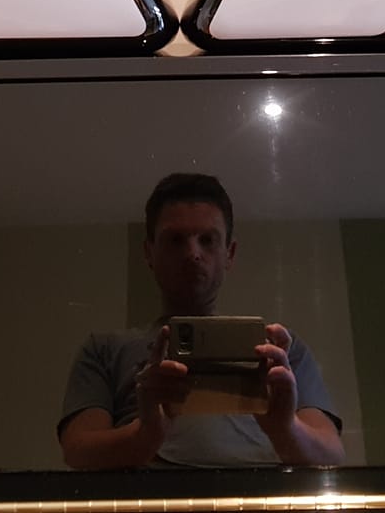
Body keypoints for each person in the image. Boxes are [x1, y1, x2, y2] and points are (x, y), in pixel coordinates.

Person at [57, 173, 344, 469]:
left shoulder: (282, 350)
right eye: (175, 240)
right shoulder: (103, 350)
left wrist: (285, 428)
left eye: (207, 240)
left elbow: (332, 455)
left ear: (229, 253)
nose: (192, 253)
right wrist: (146, 433)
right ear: (149, 252)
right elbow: (78, 453)